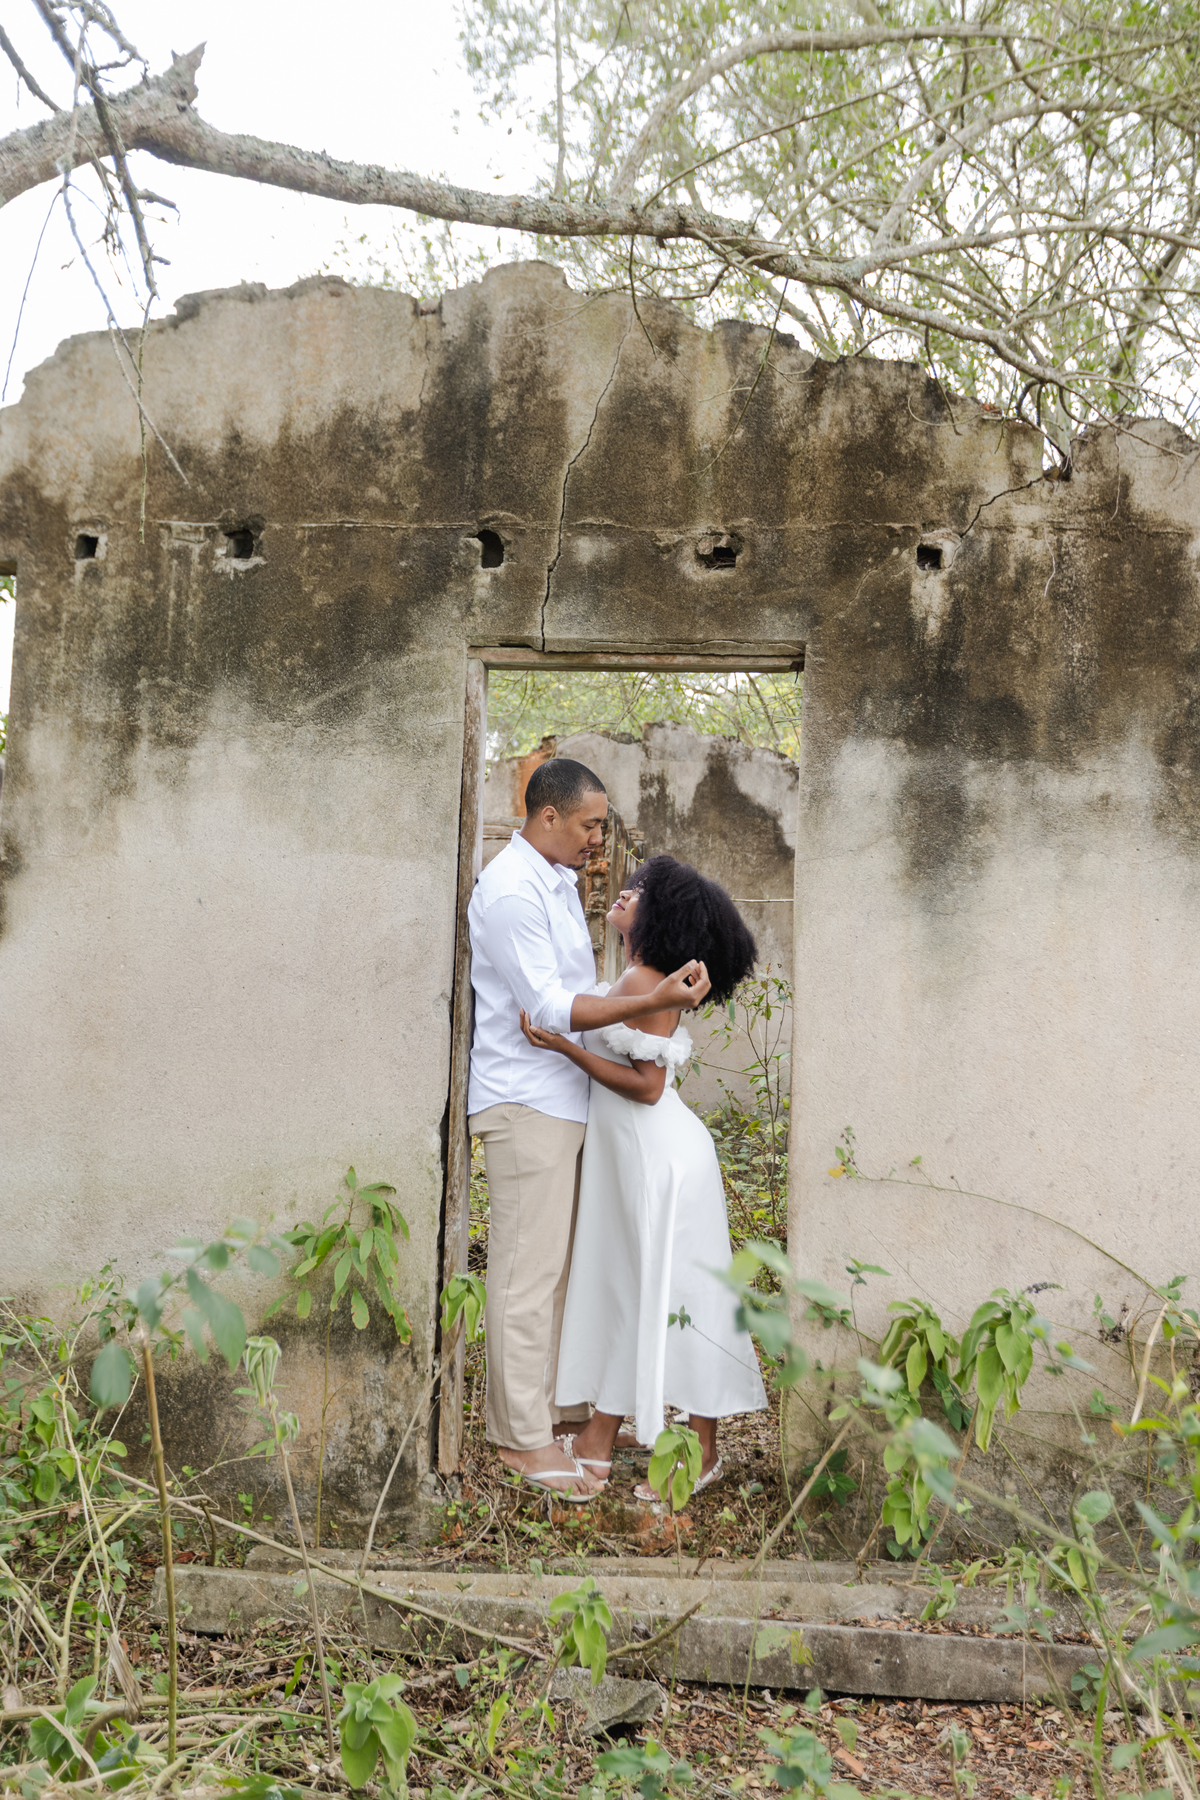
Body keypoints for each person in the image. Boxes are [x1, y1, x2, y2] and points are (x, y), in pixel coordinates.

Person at [467, 765, 713, 1501]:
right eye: (590, 825)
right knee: (524, 1277)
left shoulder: (554, 883)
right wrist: (658, 999)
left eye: (601, 826)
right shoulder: (511, 890)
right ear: (547, 817)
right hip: (526, 1100)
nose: (599, 839)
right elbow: (545, 1006)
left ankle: (553, 1416)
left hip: (564, 1101)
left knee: (559, 1277)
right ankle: (521, 1440)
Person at [520, 854, 768, 1496]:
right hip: (648, 1153)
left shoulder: (643, 979)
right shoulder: (637, 975)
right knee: (659, 1289)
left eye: (640, 890)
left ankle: (675, 1450)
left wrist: (567, 1048)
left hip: (655, 1154)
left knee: (669, 1292)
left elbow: (649, 1087)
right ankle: (627, 1434)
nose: (625, 893)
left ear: (661, 914)